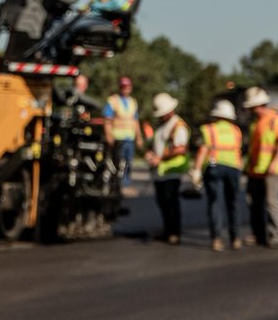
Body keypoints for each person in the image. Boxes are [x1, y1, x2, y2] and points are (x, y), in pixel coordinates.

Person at [191, 100, 244, 251]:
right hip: (234, 167)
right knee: (233, 203)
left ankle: (217, 239)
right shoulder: (236, 130)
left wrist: (196, 170)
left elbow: (202, 150)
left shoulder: (208, 129)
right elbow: (239, 151)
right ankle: (235, 238)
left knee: (215, 203)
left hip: (214, 166)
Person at [242, 86, 278, 248]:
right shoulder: (256, 124)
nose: (249, 110)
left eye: (251, 107)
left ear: (258, 106)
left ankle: (275, 235)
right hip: (255, 170)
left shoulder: (275, 120)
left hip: (270, 170)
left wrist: (274, 162)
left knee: (271, 203)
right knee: (254, 203)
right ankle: (258, 234)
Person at [145, 92, 190, 245]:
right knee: (163, 202)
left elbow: (180, 149)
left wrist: (160, 158)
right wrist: (152, 155)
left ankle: (174, 232)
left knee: (171, 203)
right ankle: (168, 230)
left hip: (172, 171)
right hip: (161, 171)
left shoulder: (178, 126)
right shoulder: (163, 126)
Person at [103, 76, 144, 193]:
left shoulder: (133, 102)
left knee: (128, 162)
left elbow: (135, 121)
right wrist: (108, 135)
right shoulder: (113, 100)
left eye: (127, 87)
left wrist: (139, 137)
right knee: (118, 162)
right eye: (123, 86)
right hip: (117, 138)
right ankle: (117, 185)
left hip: (129, 138)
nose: (125, 89)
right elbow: (107, 119)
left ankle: (125, 184)